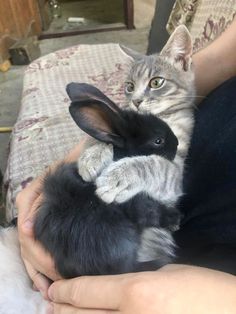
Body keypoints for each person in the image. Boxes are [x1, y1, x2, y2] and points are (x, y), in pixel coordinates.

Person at [16, 18, 236, 314]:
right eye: (132, 88)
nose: (138, 99)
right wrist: (101, 138)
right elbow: (220, 58)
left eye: (153, 85)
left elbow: (168, 170)